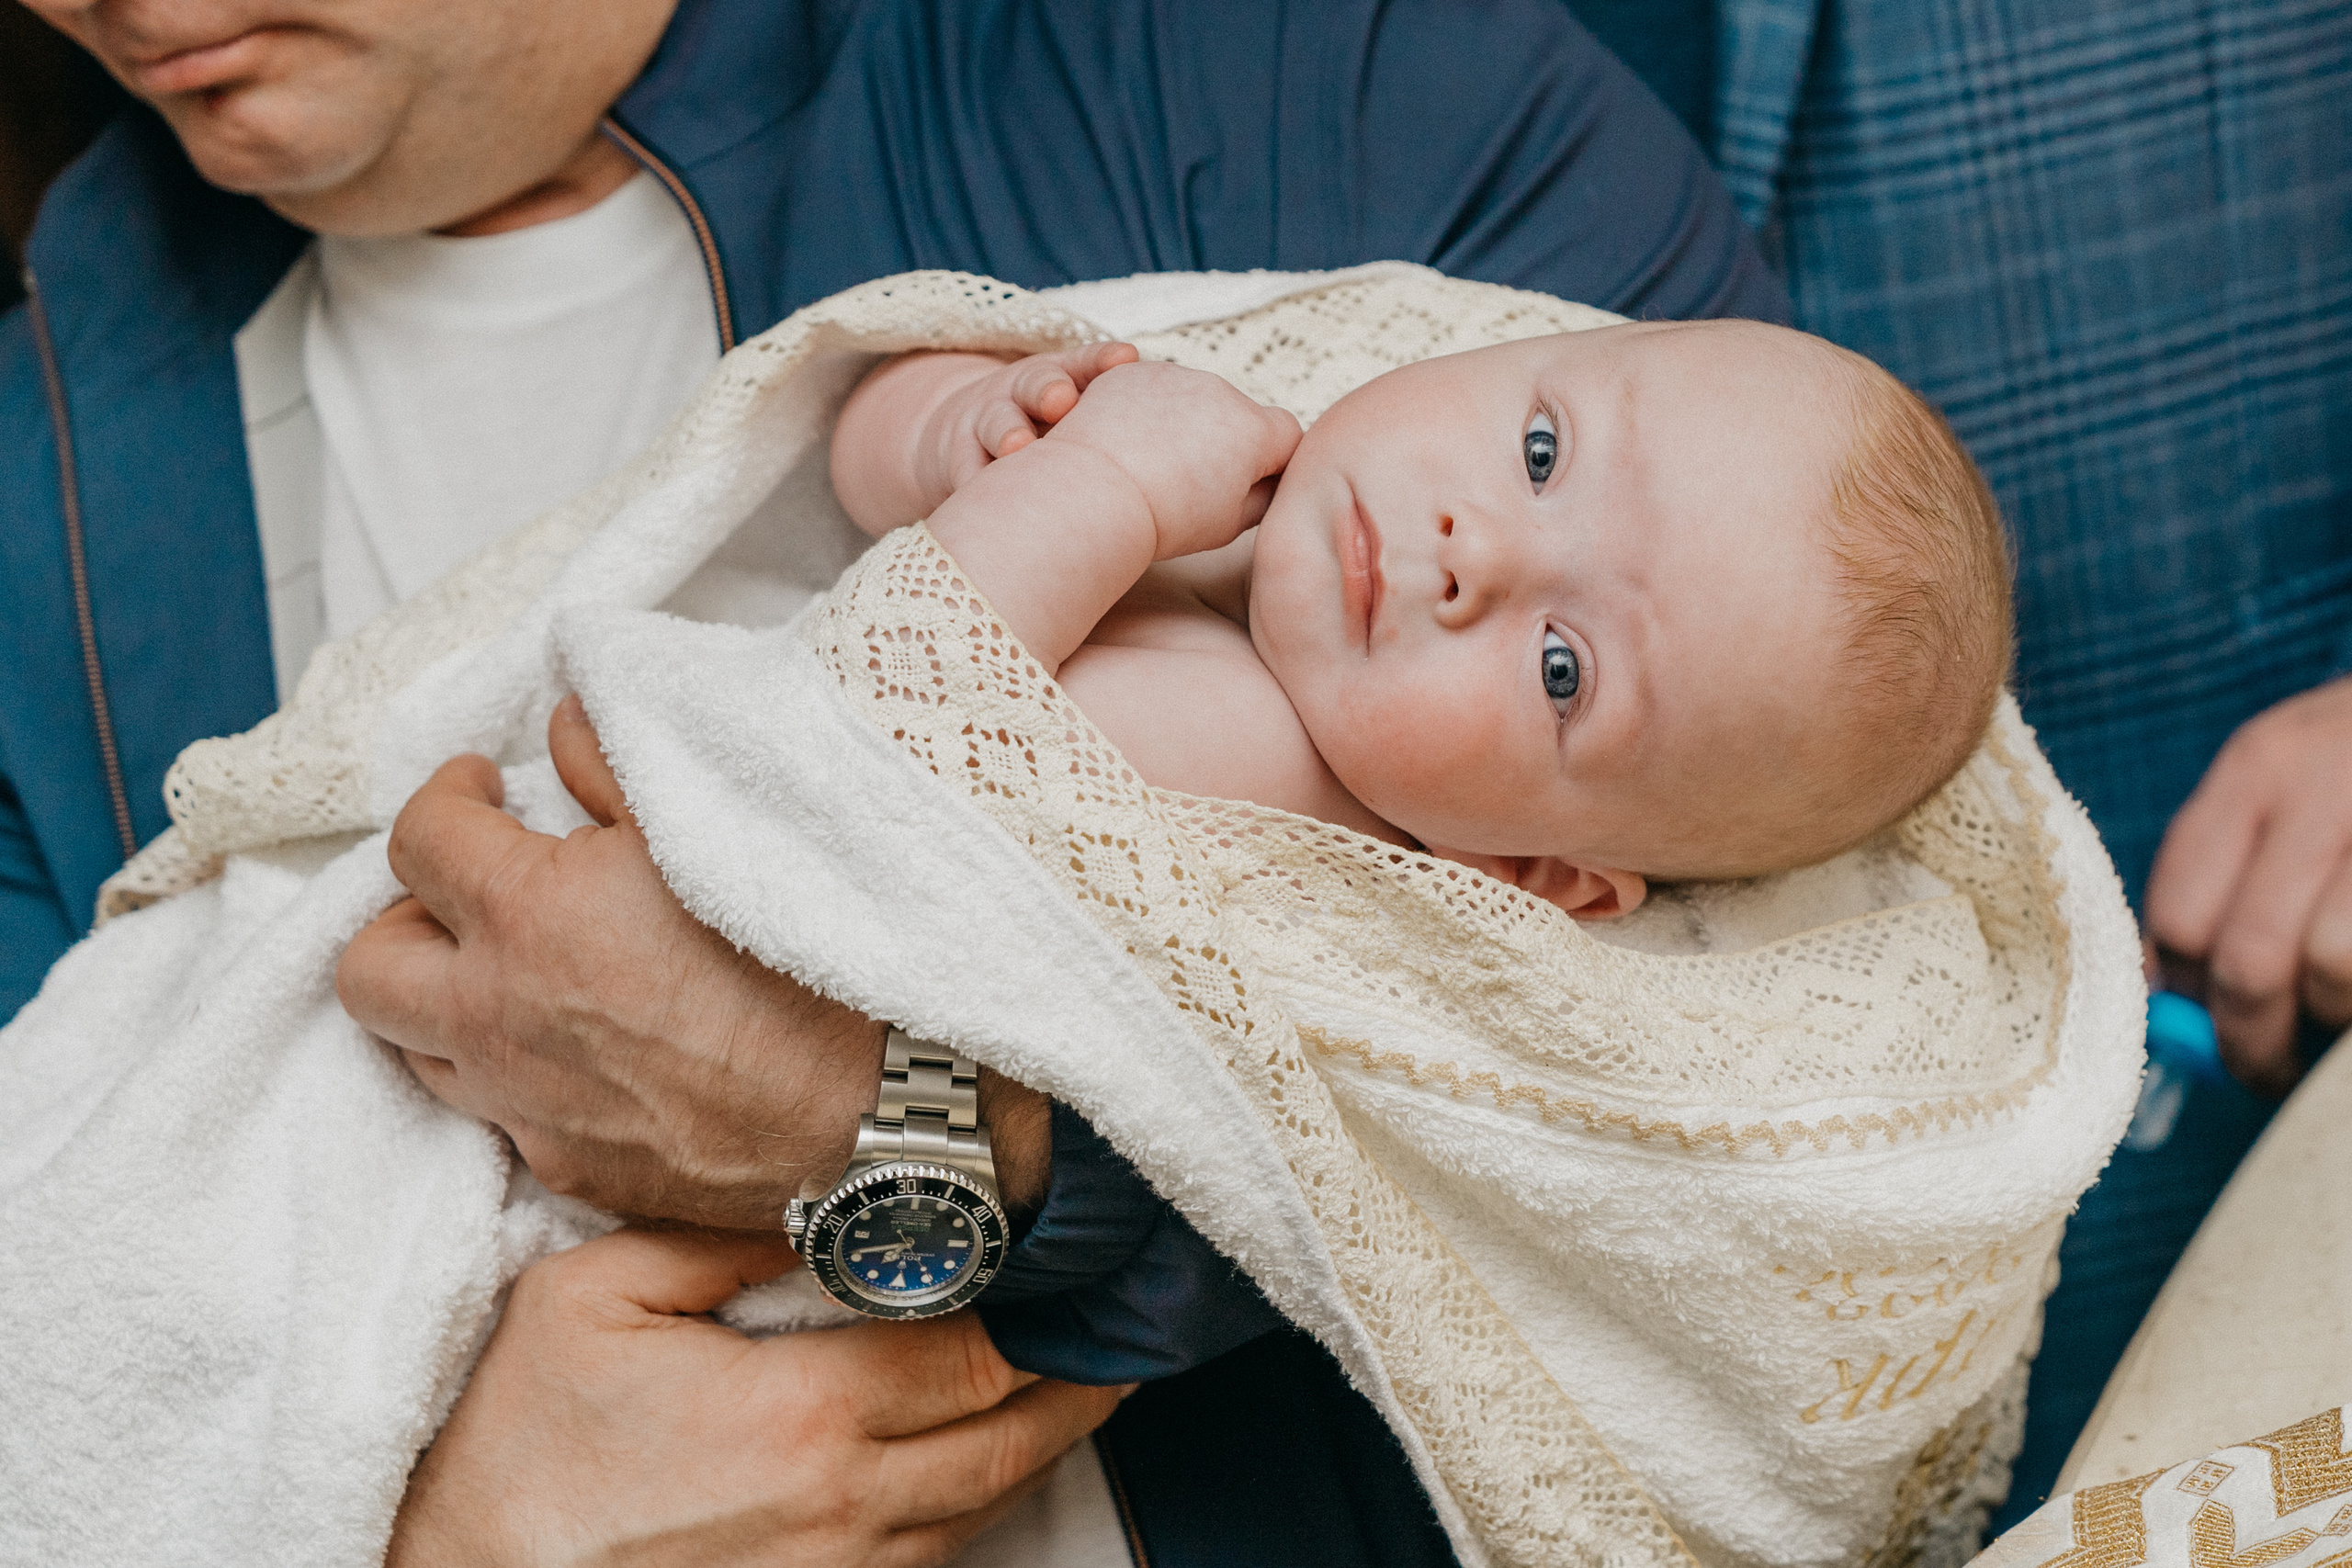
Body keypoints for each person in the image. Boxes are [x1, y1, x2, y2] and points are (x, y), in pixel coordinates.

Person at [0, 0, 1786, 1560]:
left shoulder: (1298, 83)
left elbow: (1785, 1026)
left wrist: (920, 1131)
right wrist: (432, 1536)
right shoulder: (52, 459)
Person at [837, 325, 2007, 908]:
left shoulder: (1265, 769)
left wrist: (1102, 487)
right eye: (1541, 453)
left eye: (1563, 671)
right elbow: (836, 441)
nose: (1476, 555)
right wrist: (960, 421)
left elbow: (892, 721)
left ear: (1526, 870)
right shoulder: (1274, 449)